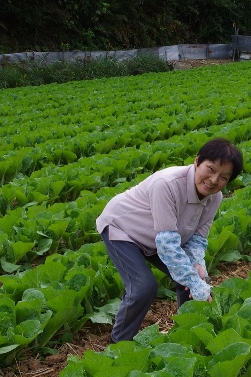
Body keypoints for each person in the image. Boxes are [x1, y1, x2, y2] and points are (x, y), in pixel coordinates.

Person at [96, 138, 243, 342]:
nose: (214, 180)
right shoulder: (167, 183)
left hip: (160, 236)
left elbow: (198, 239)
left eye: (224, 177)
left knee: (190, 279)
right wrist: (192, 279)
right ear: (197, 161)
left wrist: (198, 267)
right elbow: (167, 244)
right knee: (144, 287)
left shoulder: (214, 198)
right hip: (124, 228)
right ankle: (118, 343)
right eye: (210, 169)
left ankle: (186, 333)